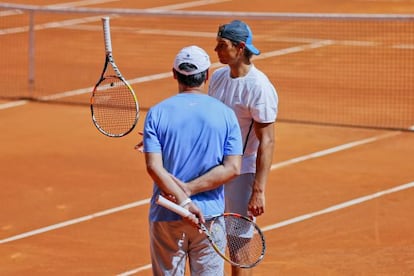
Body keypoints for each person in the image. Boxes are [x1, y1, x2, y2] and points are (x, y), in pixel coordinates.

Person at [142, 45, 243, 276]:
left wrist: (183, 199)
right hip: (209, 218)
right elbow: (233, 168)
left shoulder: (156, 113)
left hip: (167, 216)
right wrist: (191, 192)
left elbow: (153, 167)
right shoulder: (226, 114)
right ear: (207, 75)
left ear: (174, 74)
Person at [208, 20, 279, 276]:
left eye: (222, 45)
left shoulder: (259, 87)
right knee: (208, 241)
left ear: (239, 48)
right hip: (212, 170)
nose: (216, 49)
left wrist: (258, 190)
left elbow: (267, 140)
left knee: (238, 250)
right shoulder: (217, 77)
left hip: (242, 172)